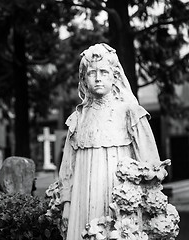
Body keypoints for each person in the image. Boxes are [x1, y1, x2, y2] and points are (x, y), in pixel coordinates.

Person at [59, 43, 162, 240]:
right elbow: (67, 168)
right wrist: (67, 204)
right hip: (83, 197)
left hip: (117, 197)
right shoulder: (78, 118)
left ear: (114, 76)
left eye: (104, 72)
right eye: (92, 73)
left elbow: (150, 163)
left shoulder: (130, 112)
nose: (98, 78)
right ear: (84, 78)